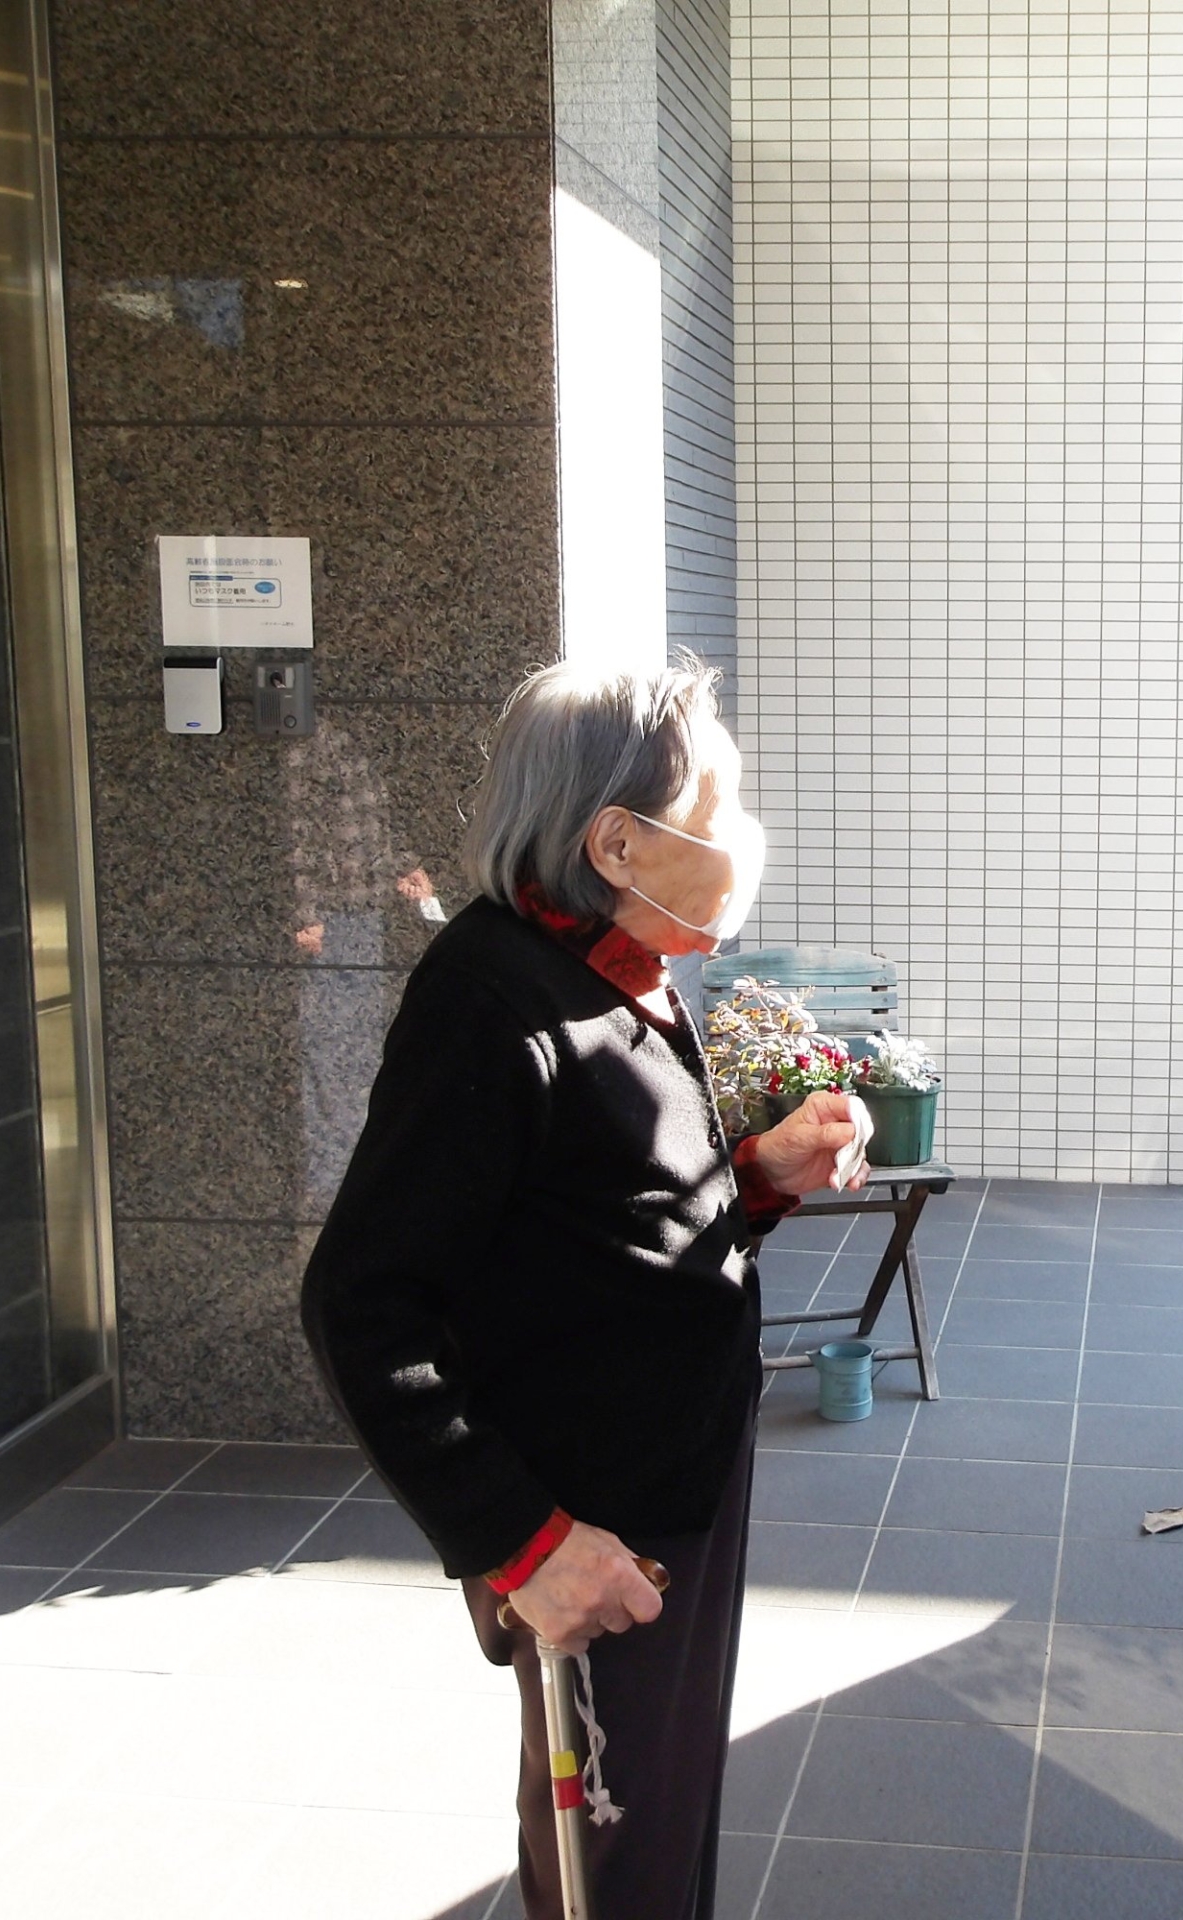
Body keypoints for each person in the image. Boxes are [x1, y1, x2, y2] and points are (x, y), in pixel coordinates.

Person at [300, 658, 863, 1920]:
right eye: (718, 809)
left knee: (658, 1831)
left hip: (672, 1486)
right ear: (617, 839)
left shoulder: (628, 975)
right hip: (594, 1535)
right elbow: (362, 1302)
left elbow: (612, 1221)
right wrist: (522, 1545)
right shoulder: (492, 1005)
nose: (742, 840)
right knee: (615, 1864)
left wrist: (759, 1176)